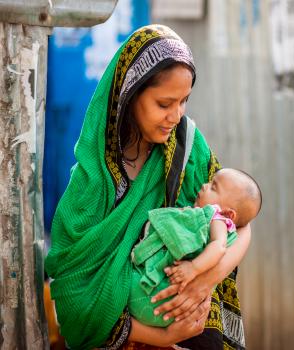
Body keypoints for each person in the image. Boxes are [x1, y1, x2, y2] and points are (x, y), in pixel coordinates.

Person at [45, 24, 253, 350]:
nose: (176, 115)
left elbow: (239, 221)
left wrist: (207, 277)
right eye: (164, 103)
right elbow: (74, 296)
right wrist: (163, 337)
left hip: (193, 323)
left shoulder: (186, 147)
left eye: (184, 101)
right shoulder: (92, 183)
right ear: (130, 96)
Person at [129, 168, 262, 327]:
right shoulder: (206, 217)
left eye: (213, 187)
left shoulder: (217, 218)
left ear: (228, 214)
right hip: (166, 310)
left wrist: (193, 267)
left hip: (166, 296)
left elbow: (218, 247)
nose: (204, 185)